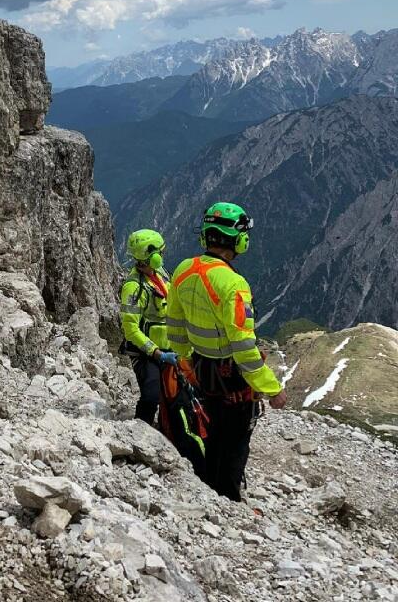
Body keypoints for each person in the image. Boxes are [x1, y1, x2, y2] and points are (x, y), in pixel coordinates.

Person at [165, 202, 287, 501]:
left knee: (210, 428)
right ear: (237, 239)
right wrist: (271, 389)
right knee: (234, 440)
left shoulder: (183, 270)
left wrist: (184, 362)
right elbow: (244, 346)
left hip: (200, 367)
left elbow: (175, 325)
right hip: (230, 373)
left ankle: (206, 485)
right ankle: (228, 499)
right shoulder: (234, 284)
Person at [119, 229, 177, 425]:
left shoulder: (161, 274)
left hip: (168, 347)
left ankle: (166, 429)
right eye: (160, 252)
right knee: (151, 395)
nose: (162, 255)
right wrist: (156, 353)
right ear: (150, 254)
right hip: (145, 353)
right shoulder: (133, 287)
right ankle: (139, 431)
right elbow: (131, 330)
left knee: (172, 395)